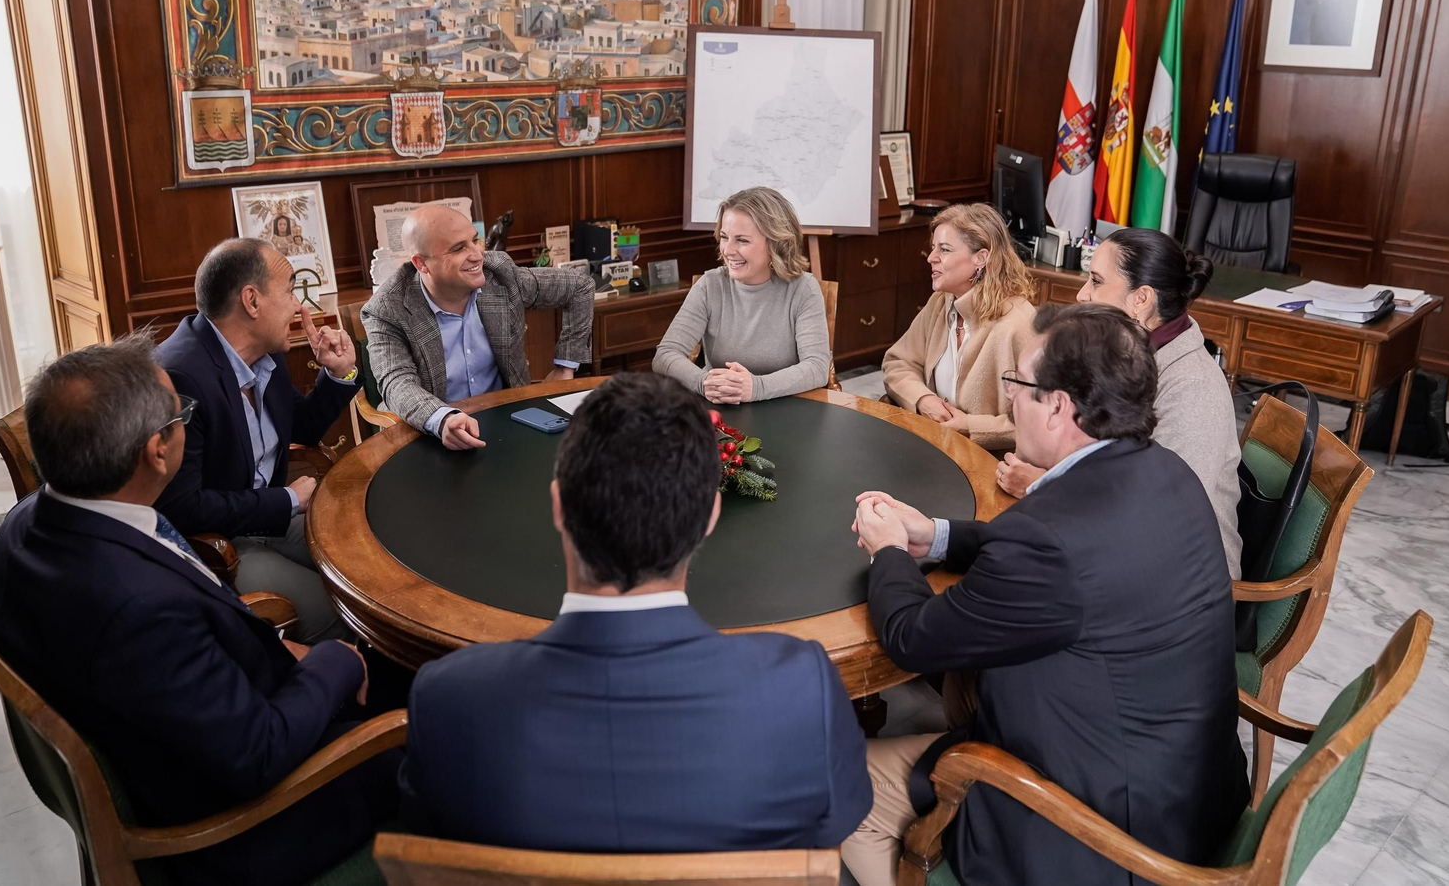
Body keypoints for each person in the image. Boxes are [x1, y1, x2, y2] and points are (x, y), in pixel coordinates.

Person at [841, 303, 1249, 886]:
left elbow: (912, 639)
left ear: (1059, 407)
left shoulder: (1047, 540)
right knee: (966, 689)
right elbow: (1054, 555)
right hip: (1186, 788)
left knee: (838, 781)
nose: (1009, 401)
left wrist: (885, 548)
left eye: (1019, 386)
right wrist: (936, 536)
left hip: (1102, 839)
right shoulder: (1165, 472)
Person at [399, 372, 872, 851]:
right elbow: (834, 824)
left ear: (559, 505)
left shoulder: (446, 698)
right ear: (711, 514)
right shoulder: (802, 688)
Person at [0, 336, 397, 886]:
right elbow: (258, 754)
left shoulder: (26, 524)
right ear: (158, 451)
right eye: (181, 415)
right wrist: (338, 664)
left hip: (187, 733)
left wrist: (275, 646)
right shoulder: (138, 610)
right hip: (245, 828)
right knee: (440, 718)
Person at [997, 227, 1243, 576]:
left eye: (1096, 281)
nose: (1082, 295)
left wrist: (1042, 484)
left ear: (1141, 299)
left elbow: (1165, 512)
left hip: (1179, 579)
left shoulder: (1193, 388)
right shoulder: (1120, 353)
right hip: (1114, 543)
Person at [156, 237, 358, 642]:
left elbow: (297, 428)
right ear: (252, 301)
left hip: (270, 515)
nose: (301, 306)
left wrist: (338, 375)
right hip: (219, 545)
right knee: (343, 613)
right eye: (289, 292)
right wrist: (286, 501)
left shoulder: (263, 351)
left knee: (368, 564)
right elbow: (181, 507)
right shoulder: (180, 376)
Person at [361, 203, 594, 449]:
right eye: (459, 248)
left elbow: (580, 286)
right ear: (421, 264)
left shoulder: (499, 275)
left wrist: (566, 366)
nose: (477, 255)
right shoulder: (387, 308)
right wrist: (442, 419)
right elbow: (397, 383)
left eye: (475, 240)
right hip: (426, 434)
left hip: (509, 421)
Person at [881, 204, 1037, 450]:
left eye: (944, 249)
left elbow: (1039, 421)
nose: (931, 257)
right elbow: (898, 363)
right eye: (933, 248)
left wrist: (971, 426)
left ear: (980, 258)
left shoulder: (1019, 326)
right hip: (935, 447)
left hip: (990, 463)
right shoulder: (941, 302)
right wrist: (923, 399)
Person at [653, 186, 830, 402]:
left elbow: (817, 367)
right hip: (720, 408)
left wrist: (756, 387)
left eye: (742, 240)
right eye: (725, 237)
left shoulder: (803, 289)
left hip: (786, 407)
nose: (728, 250)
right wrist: (704, 382)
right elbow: (665, 355)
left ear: (775, 243)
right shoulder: (710, 285)